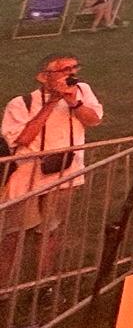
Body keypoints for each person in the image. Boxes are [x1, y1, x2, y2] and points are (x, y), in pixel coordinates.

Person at [1, 54, 104, 284]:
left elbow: (94, 120)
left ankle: (42, 284)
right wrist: (51, 102)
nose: (71, 74)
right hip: (27, 177)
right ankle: (4, 286)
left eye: (74, 68)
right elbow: (23, 138)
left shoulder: (82, 91)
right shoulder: (21, 103)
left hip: (66, 175)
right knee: (14, 235)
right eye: (63, 70)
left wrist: (72, 102)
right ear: (43, 77)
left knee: (50, 232)